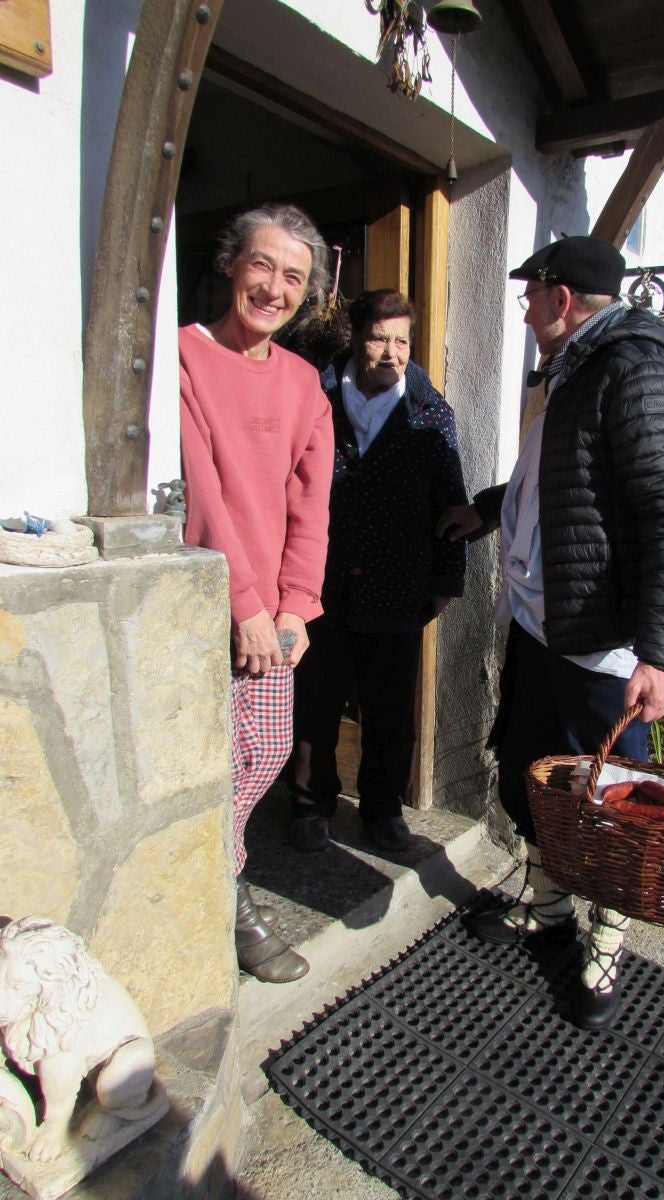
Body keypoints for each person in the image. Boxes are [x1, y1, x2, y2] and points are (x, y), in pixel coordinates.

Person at [437, 235, 664, 1029]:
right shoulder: (574, 371)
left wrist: (658, 655)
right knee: (532, 768)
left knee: (617, 800)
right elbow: (554, 482)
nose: (522, 307)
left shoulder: (637, 372)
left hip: (603, 642)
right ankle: (550, 908)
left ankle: (606, 944)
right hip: (540, 623)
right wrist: (487, 510)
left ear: (560, 298)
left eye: (530, 294)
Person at [179, 203, 335, 983]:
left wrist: (294, 605)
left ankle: (211, 879)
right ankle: (229, 902)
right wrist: (241, 602)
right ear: (232, 264)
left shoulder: (308, 385)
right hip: (198, 604)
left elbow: (312, 505)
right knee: (193, 759)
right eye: (263, 265)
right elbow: (199, 488)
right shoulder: (183, 356)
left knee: (266, 746)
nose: (275, 287)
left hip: (271, 612)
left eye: (294, 276)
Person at [285, 289, 467, 854]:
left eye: (402, 340)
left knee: (389, 710)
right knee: (315, 699)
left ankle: (383, 811)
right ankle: (310, 806)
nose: (392, 352)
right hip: (322, 579)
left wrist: (444, 581)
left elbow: (451, 499)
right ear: (356, 338)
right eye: (379, 337)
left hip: (398, 580)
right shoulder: (312, 398)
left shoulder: (429, 411)